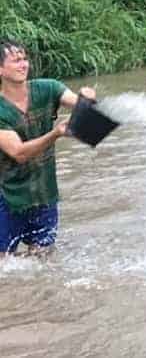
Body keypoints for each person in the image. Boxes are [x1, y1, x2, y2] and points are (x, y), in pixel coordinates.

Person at [0, 40, 96, 254]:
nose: (23, 65)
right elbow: (18, 152)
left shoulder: (48, 88)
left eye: (25, 59)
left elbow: (76, 102)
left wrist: (87, 99)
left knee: (43, 260)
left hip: (44, 195)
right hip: (8, 197)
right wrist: (55, 134)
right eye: (16, 61)